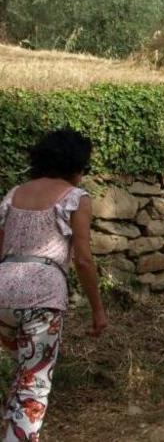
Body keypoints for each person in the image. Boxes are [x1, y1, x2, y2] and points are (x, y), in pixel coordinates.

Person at [0, 129, 108, 441]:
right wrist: (98, 310)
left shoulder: (15, 193)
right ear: (76, 164)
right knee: (33, 386)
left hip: (3, 291)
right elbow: (84, 260)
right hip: (42, 298)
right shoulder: (76, 198)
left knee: (20, 378)